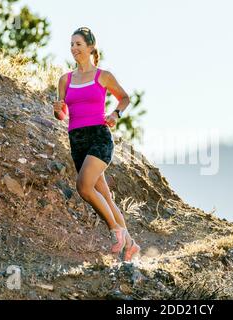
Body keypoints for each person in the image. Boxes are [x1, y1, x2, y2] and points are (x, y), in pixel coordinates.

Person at [53, 26, 140, 261]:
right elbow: (62, 115)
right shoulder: (65, 80)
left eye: (78, 44)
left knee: (83, 186)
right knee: (105, 196)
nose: (74, 49)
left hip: (99, 138)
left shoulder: (103, 76)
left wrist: (115, 115)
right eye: (71, 44)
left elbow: (125, 98)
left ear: (91, 47)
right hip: (77, 141)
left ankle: (116, 231)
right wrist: (58, 110)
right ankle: (131, 246)